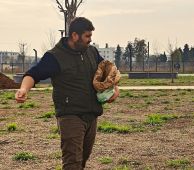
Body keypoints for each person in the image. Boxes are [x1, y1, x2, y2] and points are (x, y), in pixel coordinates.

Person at [15, 17, 119, 170]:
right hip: (70, 116)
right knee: (72, 163)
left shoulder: (91, 51)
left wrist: (114, 89)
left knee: (82, 160)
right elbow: (33, 74)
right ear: (75, 36)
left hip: (91, 115)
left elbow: (106, 71)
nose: (90, 40)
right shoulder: (55, 56)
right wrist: (24, 89)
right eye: (87, 36)